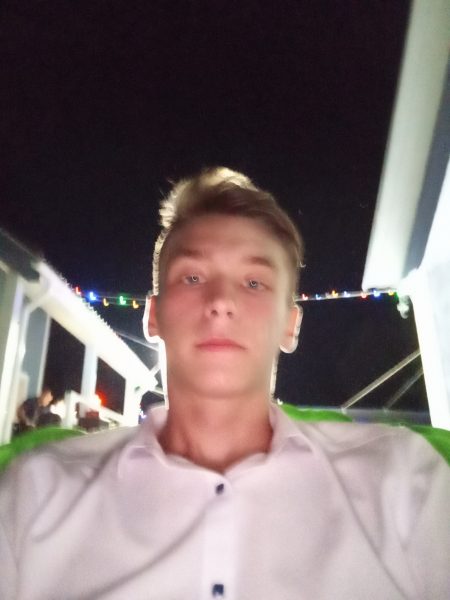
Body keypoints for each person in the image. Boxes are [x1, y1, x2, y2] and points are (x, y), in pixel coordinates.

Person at [1, 167, 449, 599]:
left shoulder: (404, 483)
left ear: (291, 324)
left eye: (254, 282)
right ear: (153, 315)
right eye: (193, 277)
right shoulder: (36, 494)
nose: (220, 301)